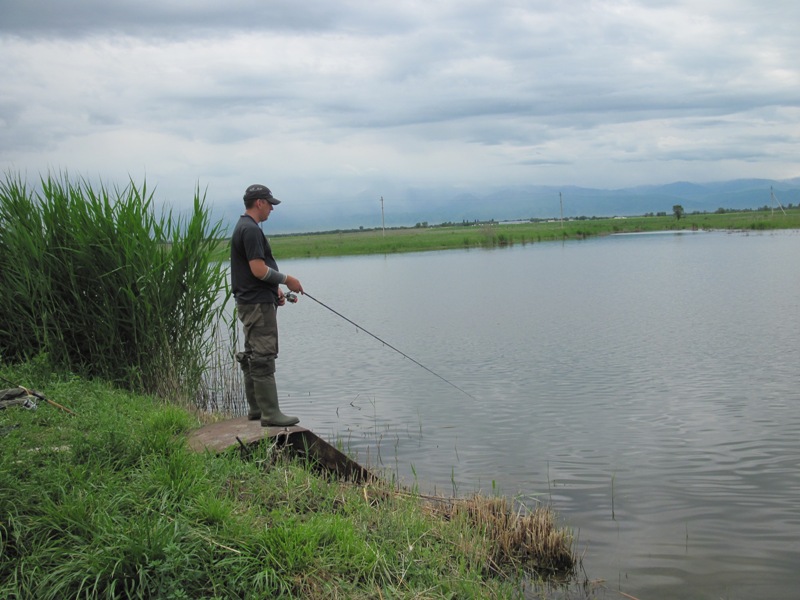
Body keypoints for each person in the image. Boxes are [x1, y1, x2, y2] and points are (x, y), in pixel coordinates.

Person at [230, 183, 304, 427]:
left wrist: (275, 289)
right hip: (257, 305)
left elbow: (255, 274)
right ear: (259, 202)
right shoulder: (250, 229)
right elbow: (258, 269)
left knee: (252, 353)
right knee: (263, 355)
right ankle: (270, 414)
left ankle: (257, 410)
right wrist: (288, 280)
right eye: (269, 203)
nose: (272, 208)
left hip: (253, 300)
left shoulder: (245, 227)